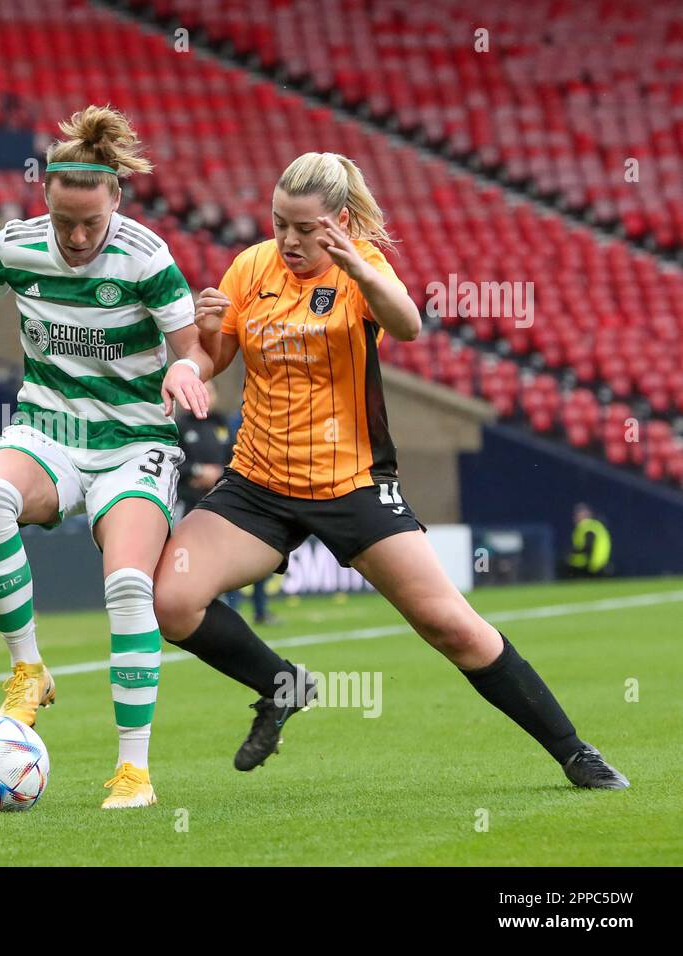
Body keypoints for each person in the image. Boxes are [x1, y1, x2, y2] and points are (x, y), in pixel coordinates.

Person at [152, 152, 628, 790]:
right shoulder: (250, 268)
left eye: (305, 228)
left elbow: (406, 325)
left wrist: (357, 266)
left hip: (352, 484)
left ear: (339, 222)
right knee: (173, 601)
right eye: (278, 224)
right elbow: (213, 362)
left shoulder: (363, 269)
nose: (289, 241)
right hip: (258, 483)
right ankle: (281, 685)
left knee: (449, 624)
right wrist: (199, 350)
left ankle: (574, 752)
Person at [0, 105, 212, 808]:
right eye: (64, 221)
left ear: (115, 202)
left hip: (134, 444)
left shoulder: (146, 257)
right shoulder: (16, 246)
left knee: (130, 586)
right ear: (45, 199)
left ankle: (134, 772)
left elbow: (194, 347)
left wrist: (186, 369)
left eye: (90, 224)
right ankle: (27, 669)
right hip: (49, 431)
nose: (75, 237)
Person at [176, 380, 280, 625]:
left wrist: (219, 473)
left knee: (235, 557)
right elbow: (173, 464)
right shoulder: (179, 426)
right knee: (197, 561)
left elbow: (237, 459)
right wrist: (198, 471)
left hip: (224, 502)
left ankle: (258, 610)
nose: (205, 396)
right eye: (198, 390)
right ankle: (203, 606)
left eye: (209, 391)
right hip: (190, 505)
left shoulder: (221, 424)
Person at [566, 502, 612, 577]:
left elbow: (588, 547)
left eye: (577, 515)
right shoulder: (595, 525)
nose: (575, 518)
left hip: (591, 567)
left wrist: (573, 553)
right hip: (599, 565)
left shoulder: (587, 528)